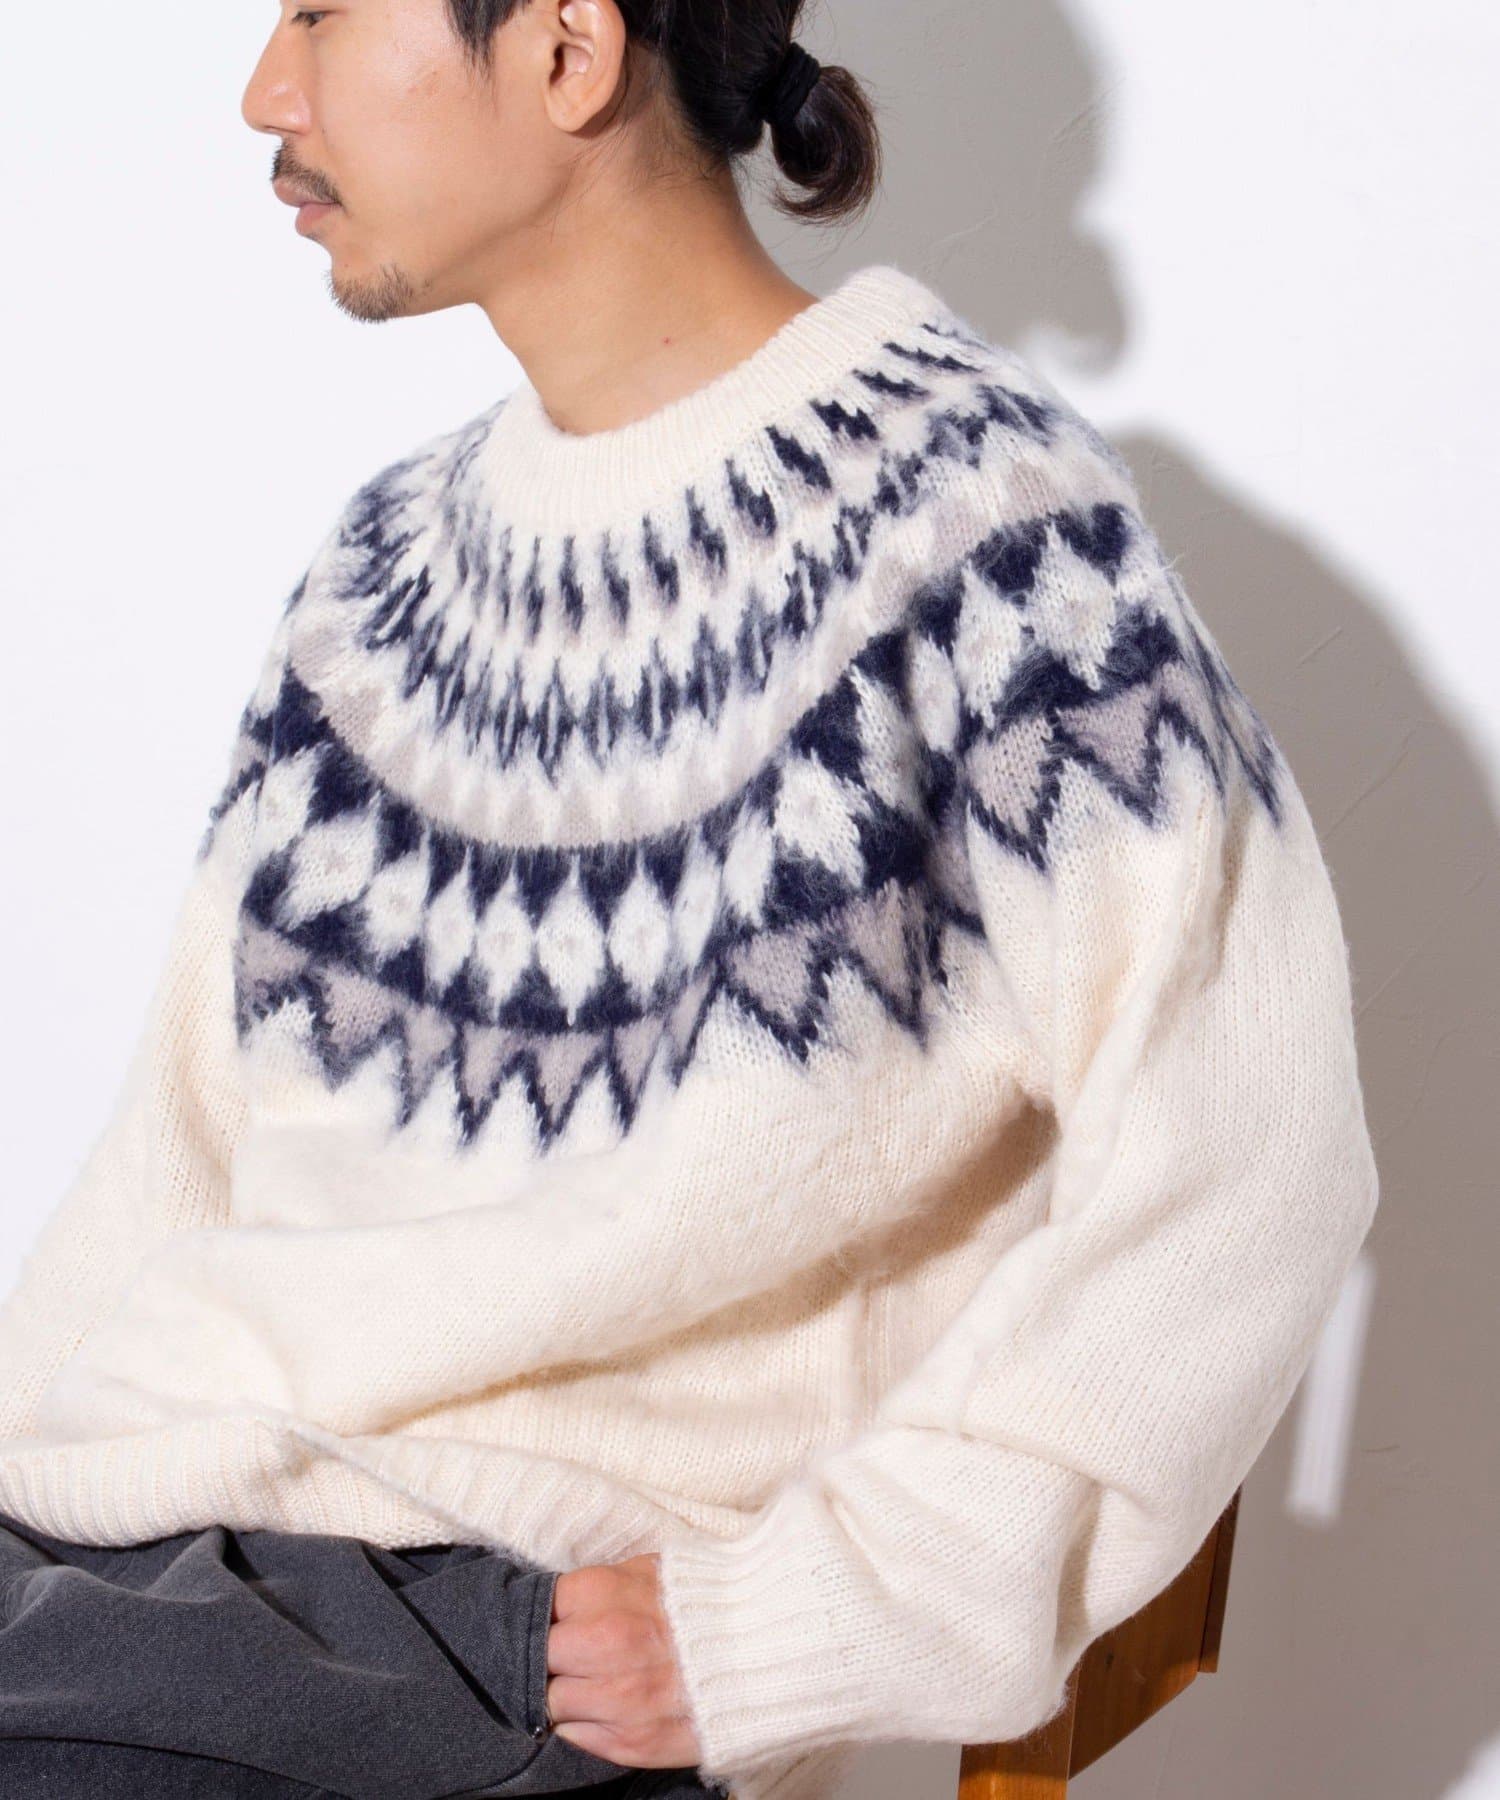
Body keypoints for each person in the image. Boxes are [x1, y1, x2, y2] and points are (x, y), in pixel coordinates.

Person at [0, 1, 1381, 1797]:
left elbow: (1252, 1157)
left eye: (325, 12)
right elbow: (174, 1159)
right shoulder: (381, 576)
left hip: (499, 1632)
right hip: (146, 1555)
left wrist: (808, 1621)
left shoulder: (983, 540)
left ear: (569, 49)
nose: (268, 88)